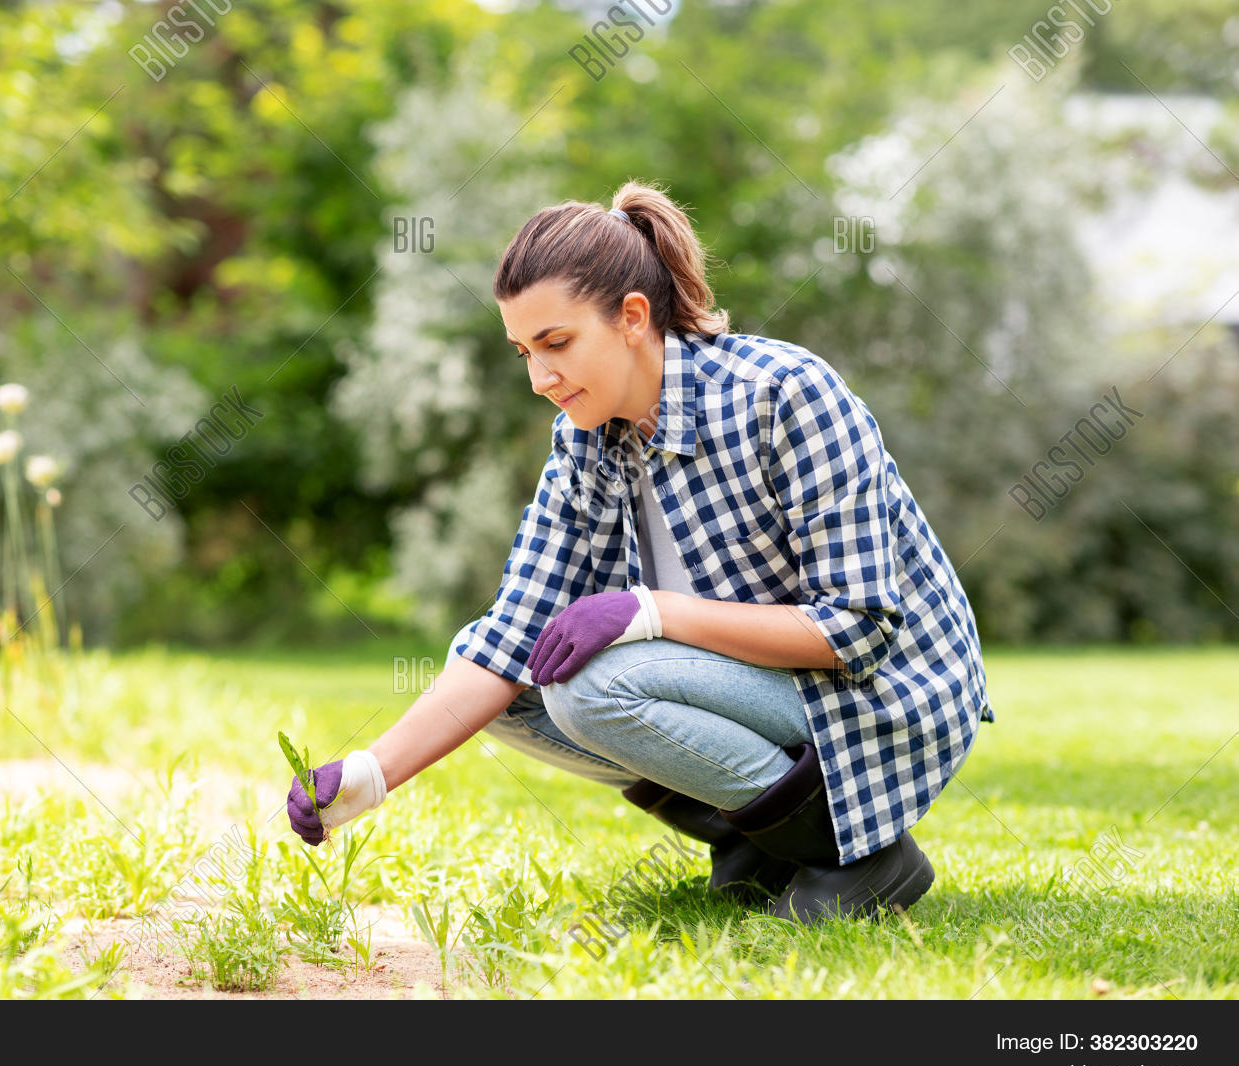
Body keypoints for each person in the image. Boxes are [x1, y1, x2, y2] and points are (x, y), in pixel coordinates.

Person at [287, 180, 995, 925]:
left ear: (632, 317)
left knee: (590, 686)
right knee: (510, 683)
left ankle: (861, 858)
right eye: (525, 351)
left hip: (879, 694)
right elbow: (510, 632)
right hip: (758, 689)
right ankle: (756, 842)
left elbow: (855, 627)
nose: (540, 378)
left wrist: (651, 611)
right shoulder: (586, 440)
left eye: (557, 344)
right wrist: (372, 773)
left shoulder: (785, 394)